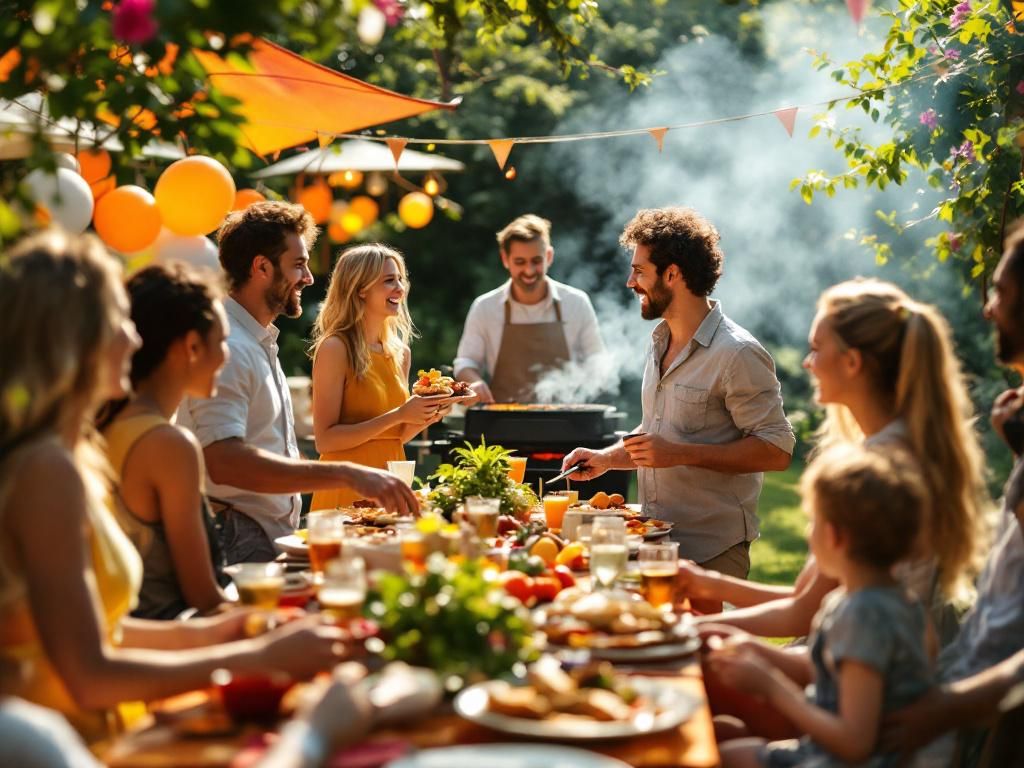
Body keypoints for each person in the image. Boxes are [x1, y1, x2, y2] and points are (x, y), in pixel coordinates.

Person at [0, 230, 346, 746]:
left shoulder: (70, 454)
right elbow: (89, 675)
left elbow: (99, 630)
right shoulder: (46, 470)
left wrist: (220, 632)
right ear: (75, 336)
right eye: (119, 319)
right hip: (83, 744)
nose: (133, 339)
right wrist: (253, 658)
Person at [687, 278, 988, 645]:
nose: (807, 362)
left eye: (816, 348)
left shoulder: (880, 471)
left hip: (873, 675)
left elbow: (805, 613)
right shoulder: (901, 447)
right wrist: (706, 583)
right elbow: (807, 599)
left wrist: (687, 628)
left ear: (852, 362)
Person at [176, 202, 417, 564]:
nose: (308, 278)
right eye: (299, 265)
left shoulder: (257, 341)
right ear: (262, 267)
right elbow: (223, 460)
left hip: (271, 532)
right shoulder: (229, 346)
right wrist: (347, 473)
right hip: (240, 533)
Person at [563, 207, 794, 581]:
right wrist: (605, 459)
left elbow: (777, 450)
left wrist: (681, 454)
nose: (629, 282)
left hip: (711, 551)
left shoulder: (737, 352)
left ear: (672, 274)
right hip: (653, 540)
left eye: (639, 271)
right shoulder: (658, 342)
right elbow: (660, 431)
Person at [881, 223, 1024, 766]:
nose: (987, 309)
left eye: (1001, 294)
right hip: (963, 690)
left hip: (988, 719)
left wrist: (944, 709)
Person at [709, 444, 933, 768]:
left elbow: (855, 744)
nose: (807, 532)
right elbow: (826, 672)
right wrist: (750, 648)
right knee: (722, 733)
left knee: (719, 753)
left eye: (813, 522)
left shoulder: (863, 616)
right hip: (831, 750)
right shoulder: (896, 603)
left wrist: (770, 687)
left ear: (835, 536)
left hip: (837, 759)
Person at [98, 263, 232, 619]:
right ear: (191, 346)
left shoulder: (111, 424)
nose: (225, 355)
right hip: (174, 643)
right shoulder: (169, 444)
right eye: (222, 341)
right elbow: (204, 598)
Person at [308, 244, 449, 510]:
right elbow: (324, 440)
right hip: (345, 489)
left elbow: (396, 435)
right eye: (388, 281)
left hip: (392, 487)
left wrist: (432, 412)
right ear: (360, 288)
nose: (400, 288)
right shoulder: (335, 348)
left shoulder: (400, 353)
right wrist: (399, 414)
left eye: (400, 279)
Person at [453, 213, 604, 403]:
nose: (529, 271)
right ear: (505, 259)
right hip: (502, 422)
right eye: (520, 262)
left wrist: (590, 377)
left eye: (536, 261)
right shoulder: (484, 308)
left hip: (567, 421)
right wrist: (474, 382)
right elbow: (466, 362)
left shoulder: (577, 303)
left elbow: (596, 359)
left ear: (548, 256)